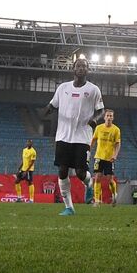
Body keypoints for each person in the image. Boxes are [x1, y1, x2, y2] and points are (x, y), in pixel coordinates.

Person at [49, 56, 104, 216]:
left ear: (88, 70)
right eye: (78, 66)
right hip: (63, 136)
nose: (81, 68)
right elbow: (53, 105)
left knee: (80, 172)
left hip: (83, 137)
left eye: (84, 66)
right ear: (73, 69)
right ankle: (69, 207)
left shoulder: (93, 89)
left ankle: (89, 183)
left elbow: (100, 110)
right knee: (62, 170)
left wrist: (94, 120)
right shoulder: (63, 88)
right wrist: (42, 112)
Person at [90, 109, 122, 205]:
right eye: (107, 115)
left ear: (113, 118)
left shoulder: (116, 130)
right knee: (97, 177)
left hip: (109, 158)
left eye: (111, 116)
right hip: (99, 157)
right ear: (104, 117)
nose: (109, 117)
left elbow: (118, 144)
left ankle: (114, 194)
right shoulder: (99, 128)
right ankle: (96, 200)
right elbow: (93, 140)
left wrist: (115, 155)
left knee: (109, 179)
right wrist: (88, 150)